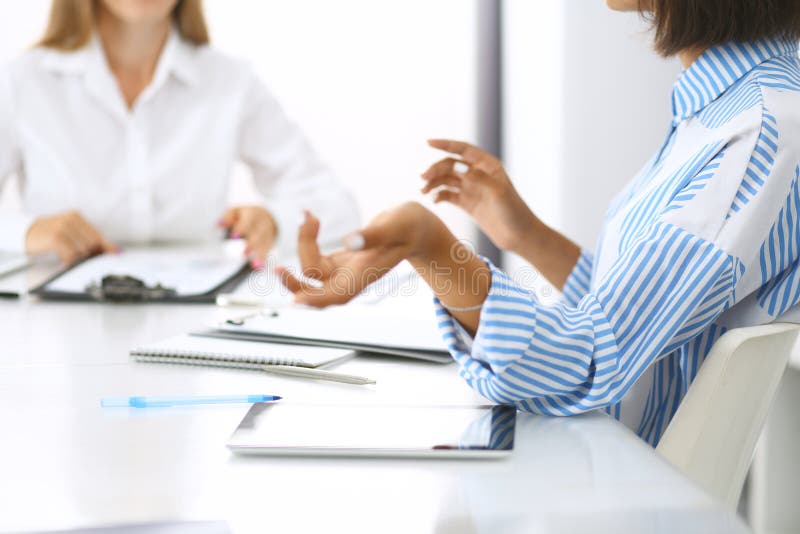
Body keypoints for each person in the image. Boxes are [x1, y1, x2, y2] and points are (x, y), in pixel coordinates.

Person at [278, 0, 800, 446]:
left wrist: (433, 249)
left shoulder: (759, 127)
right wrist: (524, 235)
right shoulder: (735, 108)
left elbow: (594, 361)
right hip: (598, 459)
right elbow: (635, 315)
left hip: (616, 486)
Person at [0, 0, 358, 266]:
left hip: (194, 323)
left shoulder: (229, 81)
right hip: (49, 328)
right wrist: (26, 232)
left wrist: (275, 222)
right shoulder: (22, 83)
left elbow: (338, 205)